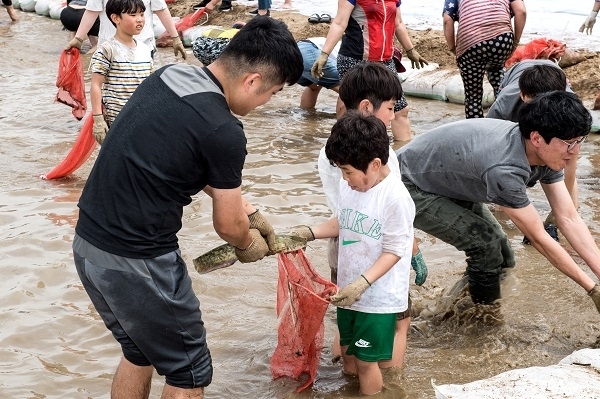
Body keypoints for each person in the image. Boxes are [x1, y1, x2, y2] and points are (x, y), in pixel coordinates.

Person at [72, 17, 302, 398]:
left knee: (139, 349)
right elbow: (229, 227)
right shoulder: (224, 130)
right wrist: (247, 242)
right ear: (253, 81)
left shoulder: (168, 77)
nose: (265, 104)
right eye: (272, 94)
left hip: (88, 246)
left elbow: (175, 156)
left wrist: (247, 207)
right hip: (139, 260)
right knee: (188, 371)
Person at [397, 91, 600, 314]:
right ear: (536, 138)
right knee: (485, 247)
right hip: (407, 185)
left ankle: (452, 309)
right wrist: (592, 289)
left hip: (448, 180)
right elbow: (538, 238)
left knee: (503, 256)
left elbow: (569, 218)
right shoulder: (505, 169)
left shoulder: (548, 154)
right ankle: (480, 323)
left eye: (580, 141)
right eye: (569, 144)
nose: (576, 152)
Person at [295, 62, 426, 372]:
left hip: (344, 250)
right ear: (368, 106)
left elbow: (347, 213)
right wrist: (414, 249)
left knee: (348, 321)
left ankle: (347, 375)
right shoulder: (374, 153)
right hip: (376, 255)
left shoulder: (336, 146)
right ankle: (388, 385)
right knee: (399, 324)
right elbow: (391, 212)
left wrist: (308, 232)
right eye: (391, 108)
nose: (393, 116)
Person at [311, 0, 430, 142]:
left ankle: (403, 154)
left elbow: (398, 23)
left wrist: (411, 50)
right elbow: (339, 23)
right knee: (350, 107)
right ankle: (344, 144)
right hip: (354, 58)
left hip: (385, 60)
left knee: (400, 109)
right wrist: (324, 54)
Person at [486, 60, 578, 244]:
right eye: (536, 104)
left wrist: (559, 214)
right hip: (516, 80)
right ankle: (502, 221)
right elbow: (492, 149)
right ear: (523, 95)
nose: (541, 110)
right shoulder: (504, 106)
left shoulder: (571, 107)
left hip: (554, 82)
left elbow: (570, 164)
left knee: (564, 160)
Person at [192, 33, 342, 109]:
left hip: (301, 47)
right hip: (313, 54)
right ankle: (344, 127)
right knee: (347, 91)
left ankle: (307, 115)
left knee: (313, 87)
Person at [443, 0, 526, 118]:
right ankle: (506, 122)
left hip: (470, 41)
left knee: (473, 95)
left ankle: (477, 129)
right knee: (497, 72)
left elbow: (447, 20)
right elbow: (521, 11)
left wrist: (453, 48)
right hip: (501, 40)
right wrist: (515, 42)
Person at [90, 0, 154, 145]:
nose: (139, 19)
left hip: (142, 118)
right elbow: (95, 85)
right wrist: (98, 119)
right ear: (115, 18)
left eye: (142, 14)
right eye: (133, 15)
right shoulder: (108, 49)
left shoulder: (145, 50)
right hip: (117, 121)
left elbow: (151, 86)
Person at [64, 0, 185, 60]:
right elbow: (91, 11)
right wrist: (78, 39)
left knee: (142, 88)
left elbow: (161, 9)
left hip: (144, 45)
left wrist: (175, 38)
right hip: (110, 48)